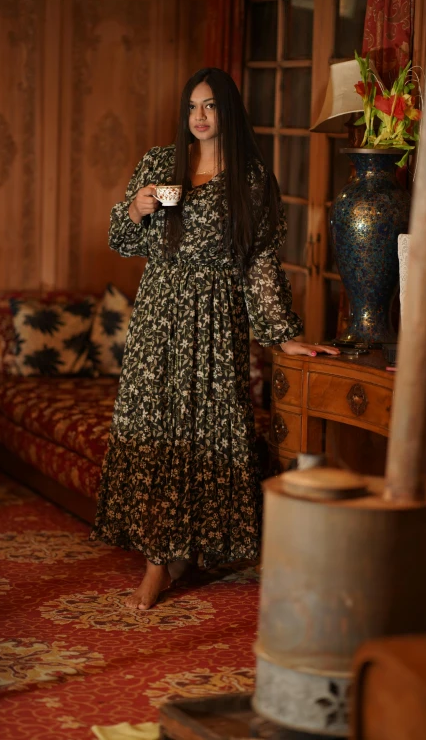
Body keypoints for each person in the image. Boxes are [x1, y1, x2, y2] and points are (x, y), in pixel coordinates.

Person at [90, 67, 339, 610]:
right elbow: (119, 237)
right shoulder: (160, 163)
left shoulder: (251, 180)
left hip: (215, 321)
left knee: (205, 429)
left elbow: (261, 264)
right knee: (156, 426)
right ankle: (159, 559)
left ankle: (177, 553)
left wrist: (284, 335)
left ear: (228, 112)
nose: (199, 117)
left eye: (210, 106)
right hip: (159, 316)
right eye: (192, 107)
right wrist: (136, 207)